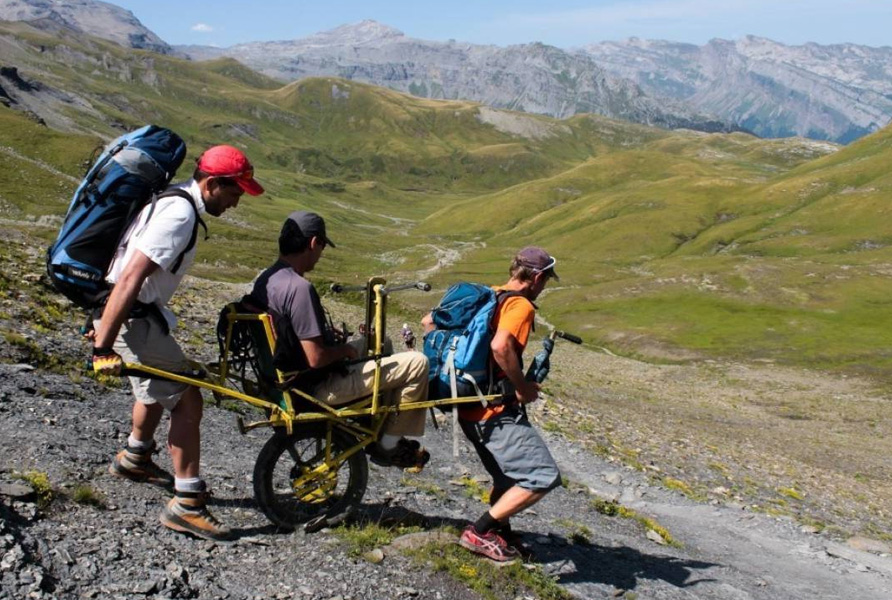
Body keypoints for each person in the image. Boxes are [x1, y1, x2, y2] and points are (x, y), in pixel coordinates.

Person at [91, 144, 265, 541]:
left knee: (156, 385)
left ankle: (136, 457)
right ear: (213, 183)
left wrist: (102, 322)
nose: (237, 203)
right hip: (133, 320)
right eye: (235, 193)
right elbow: (132, 277)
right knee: (187, 397)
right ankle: (187, 504)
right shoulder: (179, 215)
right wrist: (103, 343)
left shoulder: (172, 202)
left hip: (127, 317)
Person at [246, 211, 430, 468]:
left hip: (285, 377)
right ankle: (387, 446)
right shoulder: (299, 289)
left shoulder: (269, 278)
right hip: (313, 389)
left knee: (382, 344)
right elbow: (316, 357)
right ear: (313, 243)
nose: (320, 254)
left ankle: (373, 422)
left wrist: (331, 340)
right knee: (418, 363)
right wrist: (342, 350)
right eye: (321, 246)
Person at [455, 246, 562, 562]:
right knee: (542, 476)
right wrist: (523, 388)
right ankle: (481, 531)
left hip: (468, 405)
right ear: (537, 277)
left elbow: (428, 322)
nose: (544, 287)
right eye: (546, 281)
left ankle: (501, 533)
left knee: (507, 477)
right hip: (494, 410)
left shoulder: (491, 295)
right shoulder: (520, 306)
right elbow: (501, 346)